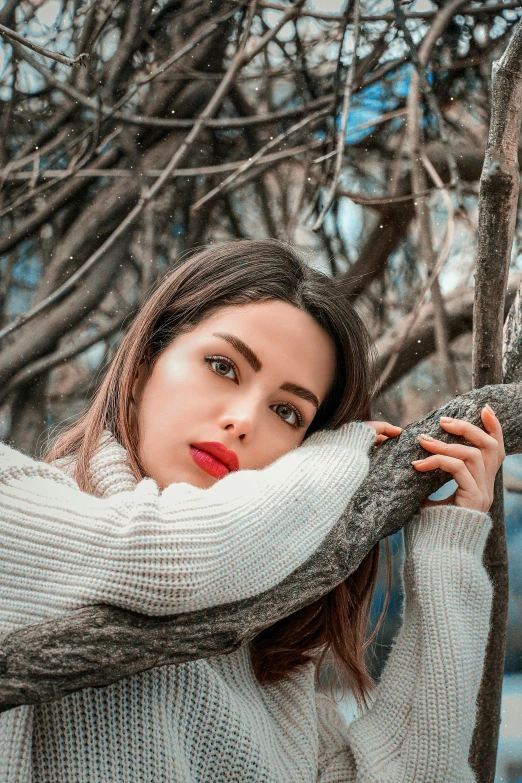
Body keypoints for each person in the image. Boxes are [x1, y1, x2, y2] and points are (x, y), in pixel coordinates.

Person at [0, 239, 503, 783]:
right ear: (146, 361)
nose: (242, 420)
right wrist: (338, 455)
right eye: (223, 366)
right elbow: (165, 560)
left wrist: (448, 548)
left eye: (287, 412)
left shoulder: (268, 663)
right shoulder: (16, 497)